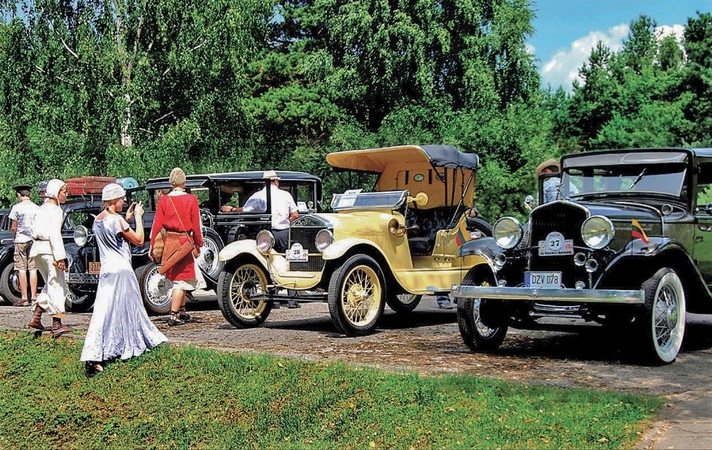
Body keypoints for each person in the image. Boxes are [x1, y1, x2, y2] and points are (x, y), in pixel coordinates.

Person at [80, 183, 167, 376]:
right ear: (112, 200)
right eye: (120, 199)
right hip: (122, 270)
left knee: (104, 310)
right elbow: (138, 240)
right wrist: (136, 218)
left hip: (106, 270)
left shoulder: (98, 220)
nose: (123, 202)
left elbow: (113, 234)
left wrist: (125, 219)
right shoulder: (116, 220)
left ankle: (96, 352)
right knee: (130, 307)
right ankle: (134, 341)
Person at [150, 167, 204, 326]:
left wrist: (152, 244)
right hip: (184, 243)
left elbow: (157, 225)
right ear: (184, 182)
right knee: (181, 280)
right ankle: (173, 315)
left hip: (170, 243)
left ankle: (182, 311)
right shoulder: (191, 199)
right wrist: (199, 243)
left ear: (171, 182)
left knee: (179, 277)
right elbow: (195, 226)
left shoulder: (164, 200)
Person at [28, 179, 72, 337]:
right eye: (63, 191)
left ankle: (37, 314)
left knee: (49, 282)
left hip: (37, 249)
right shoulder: (55, 210)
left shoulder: (41, 209)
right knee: (58, 285)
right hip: (49, 250)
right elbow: (54, 234)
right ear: (55, 192)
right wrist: (60, 257)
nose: (66, 194)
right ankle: (57, 323)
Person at [221, 170, 298, 252]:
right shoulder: (286, 195)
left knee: (264, 256)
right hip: (283, 233)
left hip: (265, 233)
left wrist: (232, 209)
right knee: (284, 256)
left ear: (264, 183)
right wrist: (284, 222)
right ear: (276, 181)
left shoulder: (258, 195)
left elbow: (245, 210)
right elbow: (295, 215)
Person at [9, 184, 40, 307]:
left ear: (19, 195)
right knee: (33, 268)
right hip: (33, 240)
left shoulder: (16, 208)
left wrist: (14, 237)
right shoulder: (37, 208)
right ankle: (33, 296)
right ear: (29, 195)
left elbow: (13, 227)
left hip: (21, 240)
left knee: (21, 268)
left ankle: (24, 298)